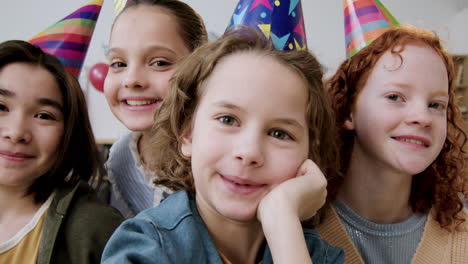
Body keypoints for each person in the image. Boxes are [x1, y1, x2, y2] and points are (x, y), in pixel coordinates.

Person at [101, 30, 344, 263]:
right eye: (227, 120)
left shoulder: (314, 254)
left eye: (280, 134)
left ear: (309, 153)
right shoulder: (143, 248)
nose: (249, 153)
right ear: (187, 134)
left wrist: (281, 219)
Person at [315, 26, 468, 264]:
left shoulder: (462, 236)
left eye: (436, 105)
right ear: (348, 111)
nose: (423, 117)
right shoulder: (298, 229)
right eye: (395, 97)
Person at [0, 40, 123, 263]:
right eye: (1, 107)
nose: (16, 132)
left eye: (44, 115)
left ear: (69, 134)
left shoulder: (95, 231)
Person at [103, 0, 208, 218]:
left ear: (200, 69)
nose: (131, 80)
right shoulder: (120, 158)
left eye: (159, 63)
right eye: (118, 63)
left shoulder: (218, 159)